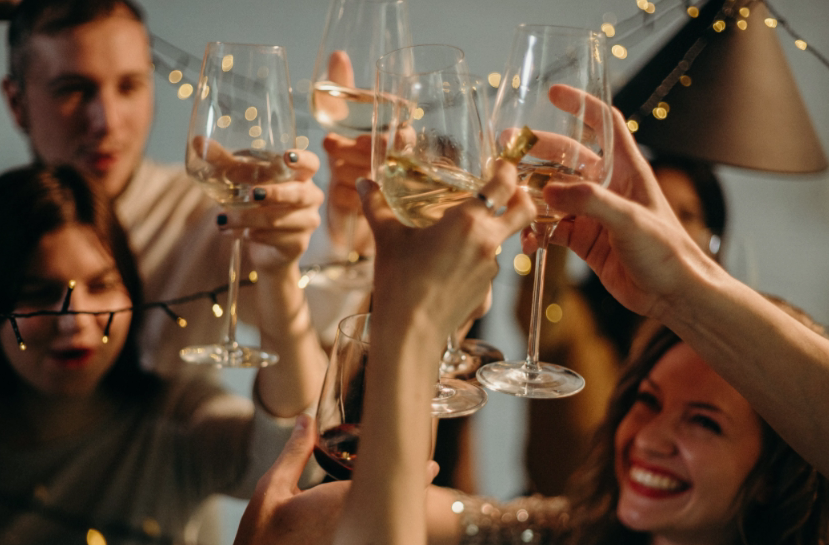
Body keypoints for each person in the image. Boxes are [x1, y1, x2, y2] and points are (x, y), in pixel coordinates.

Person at [231, 84, 829, 545]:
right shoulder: (566, 530)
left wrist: (411, 323)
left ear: (780, 472)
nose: (650, 436)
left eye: (704, 422)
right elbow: (357, 514)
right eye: (644, 401)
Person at [0, 164, 324, 544]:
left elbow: (293, 464)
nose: (74, 320)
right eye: (39, 293)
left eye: (101, 285)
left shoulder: (174, 421)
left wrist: (278, 273)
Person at [2, 0, 329, 374]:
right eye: (73, 89)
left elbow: (324, 318)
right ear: (16, 102)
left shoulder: (208, 215)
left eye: (129, 86)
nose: (107, 121)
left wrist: (328, 230)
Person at [521, 155, 729, 496]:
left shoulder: (712, 355)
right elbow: (540, 311)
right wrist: (554, 212)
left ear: (713, 242)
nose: (663, 227)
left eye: (686, 215)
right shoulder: (578, 315)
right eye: (649, 207)